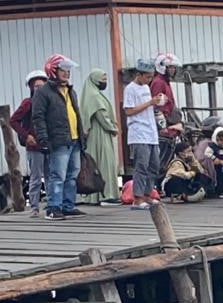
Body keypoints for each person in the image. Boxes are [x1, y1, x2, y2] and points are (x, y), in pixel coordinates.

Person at [32, 54, 86, 221]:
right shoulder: (43, 92)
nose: (67, 73)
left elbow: (76, 114)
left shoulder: (71, 91)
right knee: (58, 175)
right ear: (53, 70)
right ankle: (53, 207)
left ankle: (68, 206)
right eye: (63, 70)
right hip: (58, 140)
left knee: (72, 174)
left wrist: (82, 136)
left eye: (68, 70)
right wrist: (43, 138)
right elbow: (38, 117)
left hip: (74, 139)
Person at [122, 59, 164, 211]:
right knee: (142, 165)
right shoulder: (130, 89)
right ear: (139, 74)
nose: (149, 79)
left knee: (154, 165)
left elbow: (148, 107)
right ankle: (137, 198)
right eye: (147, 76)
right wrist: (149, 103)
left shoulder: (146, 88)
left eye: (151, 76)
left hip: (151, 131)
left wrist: (156, 105)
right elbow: (128, 111)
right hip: (138, 132)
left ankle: (147, 193)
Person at [78, 69, 121, 206]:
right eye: (102, 79)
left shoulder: (89, 94)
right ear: (95, 80)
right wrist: (113, 128)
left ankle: (94, 196)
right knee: (105, 163)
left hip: (93, 135)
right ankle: (107, 195)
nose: (105, 82)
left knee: (95, 163)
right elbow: (102, 116)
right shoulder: (95, 97)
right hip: (100, 134)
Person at [11, 70, 48, 217]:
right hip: (34, 146)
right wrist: (26, 136)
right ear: (31, 87)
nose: (39, 88)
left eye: (42, 85)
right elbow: (13, 120)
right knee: (36, 177)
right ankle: (34, 207)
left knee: (51, 176)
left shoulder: (49, 102)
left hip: (48, 144)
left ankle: (51, 204)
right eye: (36, 86)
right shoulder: (28, 103)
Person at [151, 53, 180, 119]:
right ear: (162, 67)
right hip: (164, 122)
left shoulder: (165, 81)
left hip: (170, 118)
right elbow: (156, 107)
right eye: (170, 67)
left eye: (174, 67)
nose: (173, 70)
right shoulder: (158, 82)